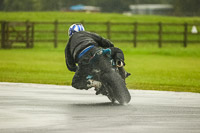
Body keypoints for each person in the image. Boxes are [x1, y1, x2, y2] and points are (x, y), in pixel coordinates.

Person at [65, 24, 130, 91]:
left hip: (83, 61)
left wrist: (79, 70)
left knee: (75, 83)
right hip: (96, 51)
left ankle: (96, 84)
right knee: (117, 50)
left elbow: (70, 65)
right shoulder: (87, 34)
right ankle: (120, 64)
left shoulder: (68, 45)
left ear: (70, 33)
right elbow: (103, 41)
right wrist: (109, 46)